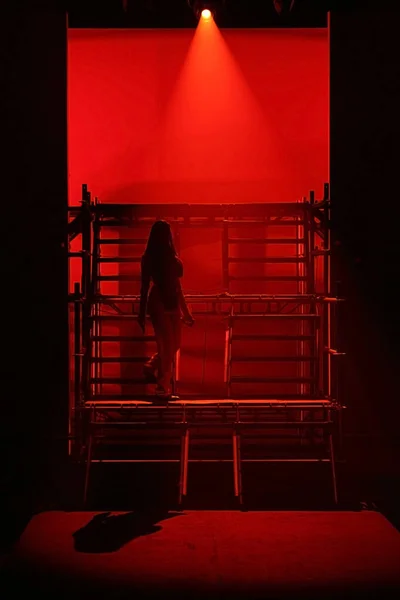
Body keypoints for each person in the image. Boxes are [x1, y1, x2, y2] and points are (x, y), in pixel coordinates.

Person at [138, 220, 194, 399]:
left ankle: (153, 365)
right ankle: (162, 386)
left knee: (171, 344)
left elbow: (145, 286)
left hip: (160, 301)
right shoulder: (173, 259)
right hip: (167, 302)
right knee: (170, 345)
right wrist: (186, 313)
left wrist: (141, 312)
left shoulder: (150, 258)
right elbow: (178, 288)